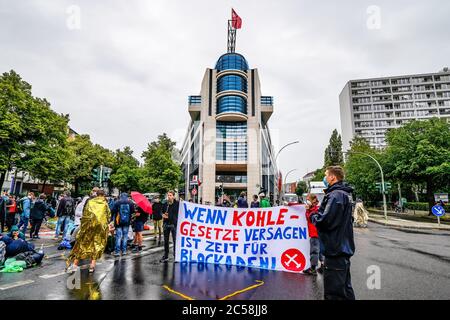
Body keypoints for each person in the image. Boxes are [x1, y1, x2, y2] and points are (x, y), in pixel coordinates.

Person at [310, 166, 356, 300]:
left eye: (326, 175)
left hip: (335, 250)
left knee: (334, 292)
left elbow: (326, 221)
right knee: (345, 290)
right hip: (342, 249)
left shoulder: (336, 195)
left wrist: (313, 215)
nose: (324, 178)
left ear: (332, 177)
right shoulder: (344, 194)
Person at [66, 189, 111, 273]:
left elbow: (85, 214)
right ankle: (92, 266)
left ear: (96, 194)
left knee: (82, 244)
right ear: (103, 195)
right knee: (96, 245)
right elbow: (108, 216)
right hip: (100, 228)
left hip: (88, 227)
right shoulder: (105, 204)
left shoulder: (90, 202)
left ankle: (75, 265)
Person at [303, 193, 324, 275]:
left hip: (315, 232)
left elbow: (310, 218)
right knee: (321, 250)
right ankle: (323, 265)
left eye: (308, 199)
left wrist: (308, 210)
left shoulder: (314, 209)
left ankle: (313, 268)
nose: (307, 201)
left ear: (313, 200)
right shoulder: (318, 207)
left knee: (314, 251)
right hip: (319, 232)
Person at [160, 190, 179, 262]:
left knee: (175, 240)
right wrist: (162, 215)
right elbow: (161, 211)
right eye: (168, 195)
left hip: (174, 224)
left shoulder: (177, 204)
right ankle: (166, 255)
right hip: (166, 224)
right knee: (166, 240)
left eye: (170, 195)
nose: (169, 197)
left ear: (173, 196)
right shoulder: (165, 204)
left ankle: (176, 255)